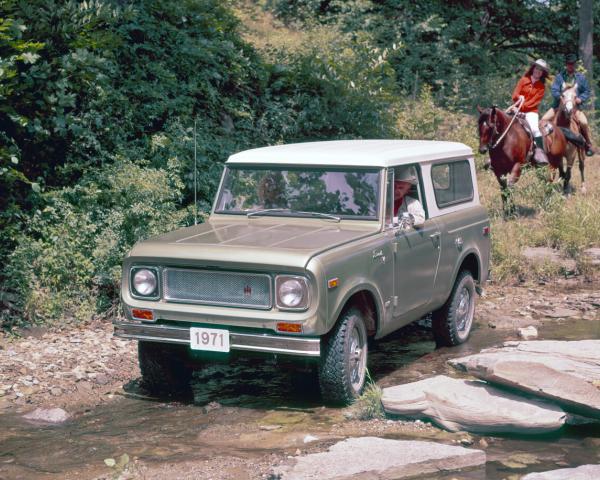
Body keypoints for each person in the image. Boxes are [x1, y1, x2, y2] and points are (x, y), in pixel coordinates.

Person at [541, 53, 594, 156]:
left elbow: (586, 91)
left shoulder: (581, 78)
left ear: (575, 65)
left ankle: (588, 144)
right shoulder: (559, 77)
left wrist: (580, 99)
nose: (571, 66)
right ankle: (544, 146)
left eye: (573, 64)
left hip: (575, 108)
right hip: (558, 106)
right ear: (566, 64)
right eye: (569, 64)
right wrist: (560, 97)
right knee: (543, 120)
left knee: (584, 122)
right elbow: (554, 90)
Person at [510, 58, 550, 166]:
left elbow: (533, 103)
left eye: (541, 70)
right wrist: (519, 98)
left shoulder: (541, 87)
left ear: (542, 73)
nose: (538, 71)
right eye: (537, 68)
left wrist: (521, 109)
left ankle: (540, 154)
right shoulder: (523, 80)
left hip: (531, 112)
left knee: (535, 130)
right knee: (503, 122)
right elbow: (515, 95)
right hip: (516, 109)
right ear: (533, 69)